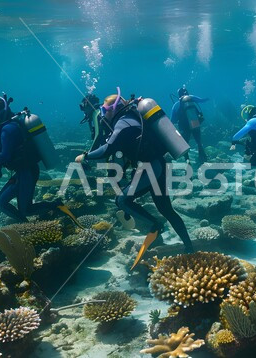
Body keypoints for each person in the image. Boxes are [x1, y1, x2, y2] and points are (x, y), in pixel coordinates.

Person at [75, 88, 194, 269]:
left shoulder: (123, 123)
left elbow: (108, 149)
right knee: (166, 208)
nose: (103, 114)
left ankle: (156, 225)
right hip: (156, 165)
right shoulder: (129, 118)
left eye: (105, 110)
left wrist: (85, 156)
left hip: (151, 167)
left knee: (122, 200)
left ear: (114, 109)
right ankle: (189, 247)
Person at [0, 94, 76, 223]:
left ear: (0, 114)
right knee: (0, 202)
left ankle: (56, 206)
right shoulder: (12, 124)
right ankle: (26, 224)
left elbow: (4, 156)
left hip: (26, 172)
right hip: (23, 171)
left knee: (26, 209)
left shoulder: (8, 129)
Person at [170, 86, 208, 163]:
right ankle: (203, 158)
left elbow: (172, 120)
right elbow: (201, 100)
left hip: (184, 126)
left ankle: (187, 161)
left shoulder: (176, 105)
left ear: (178, 95)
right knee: (199, 142)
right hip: (195, 122)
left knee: (185, 144)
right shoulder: (192, 98)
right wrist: (209, 98)